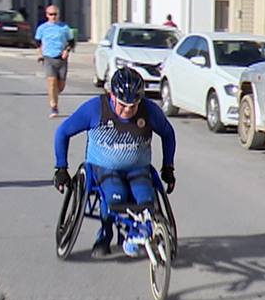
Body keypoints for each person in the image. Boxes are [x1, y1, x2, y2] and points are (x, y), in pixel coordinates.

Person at [52, 67, 177, 260]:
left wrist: (168, 167)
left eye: (133, 106)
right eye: (122, 105)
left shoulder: (149, 110)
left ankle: (136, 234)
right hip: (104, 167)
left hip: (138, 168)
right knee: (115, 199)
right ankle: (105, 235)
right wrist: (61, 168)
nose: (128, 110)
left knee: (146, 201)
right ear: (112, 96)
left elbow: (168, 134)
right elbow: (63, 132)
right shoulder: (95, 109)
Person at [34, 5, 76, 118]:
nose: (53, 17)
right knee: (51, 82)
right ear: (47, 15)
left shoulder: (64, 27)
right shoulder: (42, 28)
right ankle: (54, 107)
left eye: (55, 14)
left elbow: (71, 42)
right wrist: (40, 54)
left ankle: (54, 95)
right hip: (48, 58)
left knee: (60, 86)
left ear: (58, 15)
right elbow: (37, 42)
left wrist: (67, 51)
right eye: (51, 14)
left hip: (61, 59)